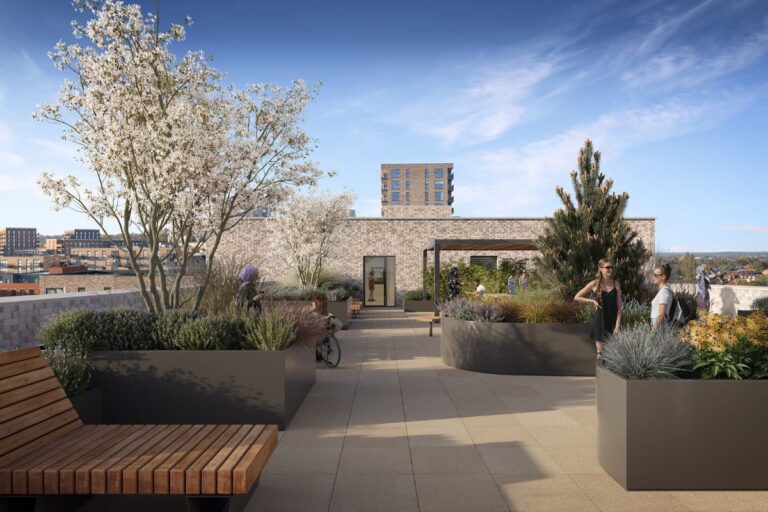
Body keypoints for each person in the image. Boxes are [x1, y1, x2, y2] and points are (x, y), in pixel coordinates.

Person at [574, 258, 622, 358]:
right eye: (607, 267)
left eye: (612, 267)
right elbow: (577, 297)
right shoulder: (594, 284)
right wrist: (592, 301)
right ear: (600, 269)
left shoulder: (616, 284)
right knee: (600, 354)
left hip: (613, 321)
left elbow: (619, 307)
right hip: (600, 321)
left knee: (613, 354)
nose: (610, 269)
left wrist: (617, 325)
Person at [651, 263, 674, 333]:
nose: (653, 277)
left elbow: (661, 314)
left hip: (660, 325)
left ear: (663, 277)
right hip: (659, 324)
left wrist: (653, 330)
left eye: (655, 275)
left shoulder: (664, 292)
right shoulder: (663, 291)